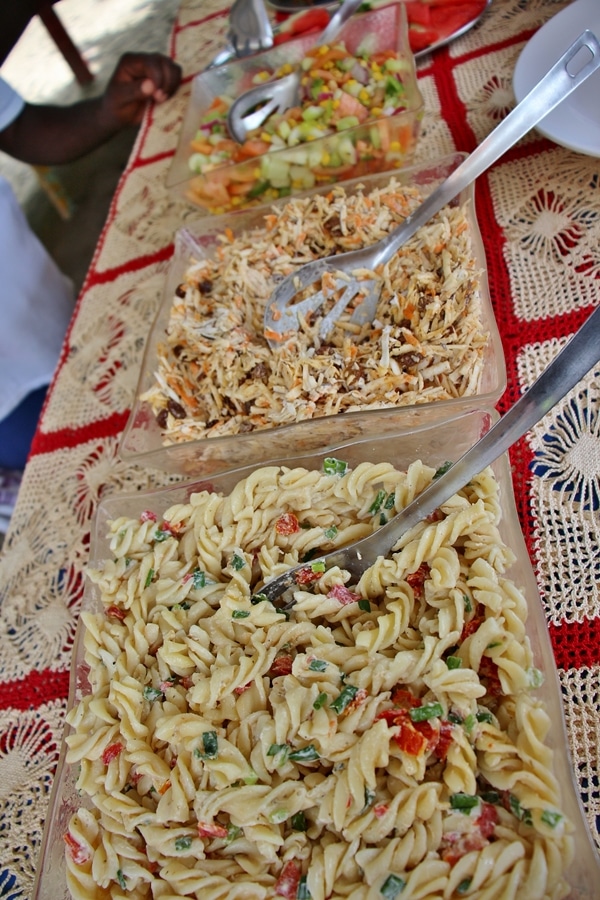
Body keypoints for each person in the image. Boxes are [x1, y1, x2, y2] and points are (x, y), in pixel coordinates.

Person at [0, 51, 182, 471]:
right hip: (8, 397)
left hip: (43, 303)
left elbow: (19, 127)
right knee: (78, 473)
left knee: (147, 415)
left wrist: (105, 113)